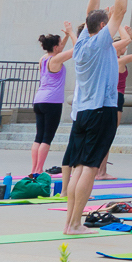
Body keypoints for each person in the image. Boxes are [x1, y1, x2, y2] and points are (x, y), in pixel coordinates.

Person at [63, 0, 129, 236]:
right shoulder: (101, 42)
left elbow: (90, 15)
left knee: (78, 168)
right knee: (88, 168)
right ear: (102, 29)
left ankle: (70, 222)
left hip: (83, 113)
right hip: (101, 110)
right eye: (107, 22)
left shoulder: (80, 45)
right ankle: (75, 223)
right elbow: (121, 11)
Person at [31, 28, 74, 175]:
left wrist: (66, 36)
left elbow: (59, 50)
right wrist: (73, 34)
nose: (62, 45)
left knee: (39, 136)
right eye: (61, 44)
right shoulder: (56, 60)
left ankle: (34, 168)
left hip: (39, 100)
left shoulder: (43, 59)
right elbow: (75, 50)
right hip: (52, 102)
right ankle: (39, 169)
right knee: (47, 138)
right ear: (56, 47)